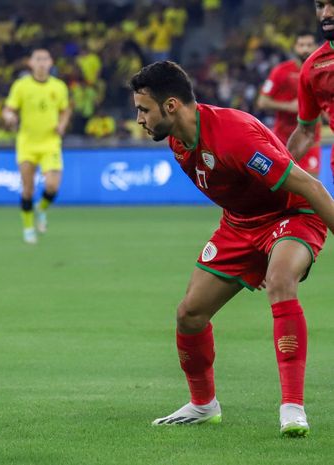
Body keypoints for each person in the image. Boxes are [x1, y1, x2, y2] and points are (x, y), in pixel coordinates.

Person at [131, 61, 334, 437]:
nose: (139, 118)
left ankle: (292, 408)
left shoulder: (235, 135)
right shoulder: (178, 140)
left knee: (280, 280)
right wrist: (252, 254)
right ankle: (203, 406)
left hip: (292, 212)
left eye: (144, 109)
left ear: (171, 105)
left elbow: (311, 188)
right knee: (189, 314)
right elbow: (232, 190)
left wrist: (270, 252)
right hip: (240, 224)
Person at [2, 48, 71, 244]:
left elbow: (65, 111)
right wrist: (9, 116)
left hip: (50, 142)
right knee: (28, 189)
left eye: (45, 59)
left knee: (52, 185)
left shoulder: (59, 87)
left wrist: (62, 124)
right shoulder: (21, 86)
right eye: (38, 59)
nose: (41, 63)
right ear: (31, 63)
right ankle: (28, 227)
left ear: (51, 63)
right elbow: (9, 109)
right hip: (27, 143)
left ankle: (40, 209)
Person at [257, 32, 320, 176]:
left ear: (316, 47)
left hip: (310, 139)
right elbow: (262, 101)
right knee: (283, 187)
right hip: (283, 140)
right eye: (301, 45)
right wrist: (289, 106)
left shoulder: (320, 70)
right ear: (295, 47)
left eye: (309, 45)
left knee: (312, 185)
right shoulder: (280, 71)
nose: (305, 49)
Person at [288, 0, 334, 176]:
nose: (326, 14)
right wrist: (275, 171)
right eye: (320, 6)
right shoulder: (312, 67)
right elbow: (306, 132)